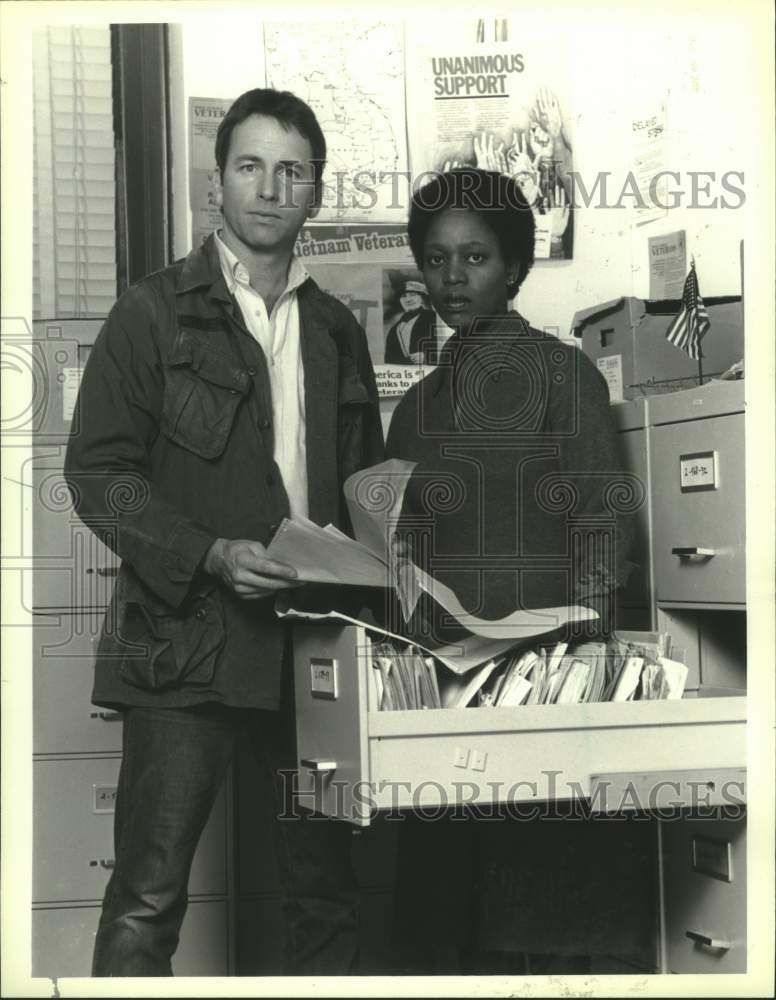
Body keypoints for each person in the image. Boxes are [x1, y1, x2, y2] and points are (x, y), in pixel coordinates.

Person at [64, 87, 384, 977]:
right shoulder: (151, 311)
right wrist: (208, 554)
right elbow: (96, 477)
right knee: (146, 900)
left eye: (292, 172)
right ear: (217, 185)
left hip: (313, 647)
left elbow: (366, 493)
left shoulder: (333, 329)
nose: (270, 188)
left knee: (325, 892)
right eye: (250, 166)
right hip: (183, 649)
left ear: (317, 193)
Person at [385, 168, 653, 973]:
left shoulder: (561, 376)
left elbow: (604, 525)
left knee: (541, 929)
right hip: (440, 701)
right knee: (446, 929)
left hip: (544, 694)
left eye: (475, 258)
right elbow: (394, 549)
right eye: (436, 260)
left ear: (514, 268)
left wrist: (574, 672)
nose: (452, 279)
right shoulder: (416, 408)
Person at [383, 277, 441, 364]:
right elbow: (389, 359)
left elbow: (449, 345)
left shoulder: (434, 318)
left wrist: (427, 356)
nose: (408, 299)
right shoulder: (395, 329)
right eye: (403, 296)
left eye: (412, 295)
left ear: (422, 299)